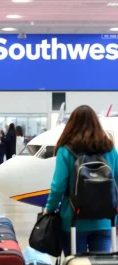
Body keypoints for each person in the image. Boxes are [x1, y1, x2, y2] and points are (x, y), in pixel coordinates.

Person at [44, 105, 118, 256]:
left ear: (71, 124)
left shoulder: (66, 150)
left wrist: (49, 209)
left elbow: (58, 186)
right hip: (105, 220)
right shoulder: (110, 149)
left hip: (73, 220)